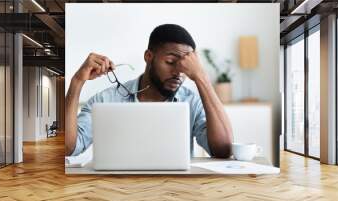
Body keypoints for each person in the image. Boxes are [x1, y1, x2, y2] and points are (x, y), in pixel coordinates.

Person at [65, 24, 233, 158]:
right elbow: (69, 148)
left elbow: (224, 150)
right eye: (170, 62)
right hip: (119, 193)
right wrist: (77, 81)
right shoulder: (106, 100)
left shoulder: (191, 101)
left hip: (177, 193)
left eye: (186, 67)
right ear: (148, 56)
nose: (178, 73)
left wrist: (201, 77)